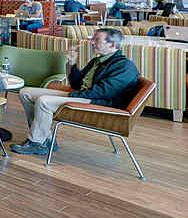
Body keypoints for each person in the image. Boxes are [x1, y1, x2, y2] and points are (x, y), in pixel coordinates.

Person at [11, 28, 139, 155]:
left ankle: (37, 142)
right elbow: (77, 84)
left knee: (44, 101)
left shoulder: (124, 66)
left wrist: (72, 96)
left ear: (112, 44)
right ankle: (46, 139)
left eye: (97, 40)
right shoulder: (98, 61)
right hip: (84, 95)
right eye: (93, 39)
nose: (92, 42)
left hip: (100, 103)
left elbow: (103, 92)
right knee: (26, 92)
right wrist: (72, 64)